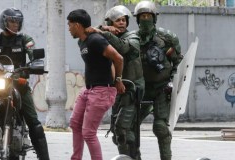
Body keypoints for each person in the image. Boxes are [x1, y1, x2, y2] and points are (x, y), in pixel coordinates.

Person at [0, 8, 50, 160]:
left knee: (33, 121)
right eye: (12, 21)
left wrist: (35, 62)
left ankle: (44, 158)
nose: (16, 24)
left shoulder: (24, 39)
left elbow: (33, 52)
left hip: (18, 84)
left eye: (18, 22)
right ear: (4, 22)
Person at [86, 5, 144, 159]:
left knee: (123, 128)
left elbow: (123, 49)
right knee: (119, 133)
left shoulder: (133, 37)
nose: (122, 23)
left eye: (124, 20)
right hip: (118, 90)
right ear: (111, 22)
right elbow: (90, 34)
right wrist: (102, 28)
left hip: (132, 90)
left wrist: (103, 32)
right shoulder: (109, 36)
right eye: (117, 20)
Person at [67, 9, 124, 160]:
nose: (68, 28)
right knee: (74, 124)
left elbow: (118, 58)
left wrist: (118, 80)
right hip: (89, 89)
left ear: (77, 25)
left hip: (102, 91)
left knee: (88, 133)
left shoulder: (95, 40)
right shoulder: (83, 40)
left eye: (70, 24)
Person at [134, 1, 183, 160]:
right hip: (140, 88)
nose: (145, 19)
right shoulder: (133, 38)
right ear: (137, 19)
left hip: (161, 88)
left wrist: (172, 81)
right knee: (129, 128)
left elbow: (178, 61)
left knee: (161, 127)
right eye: (142, 16)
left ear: (154, 18)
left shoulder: (167, 38)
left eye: (148, 16)